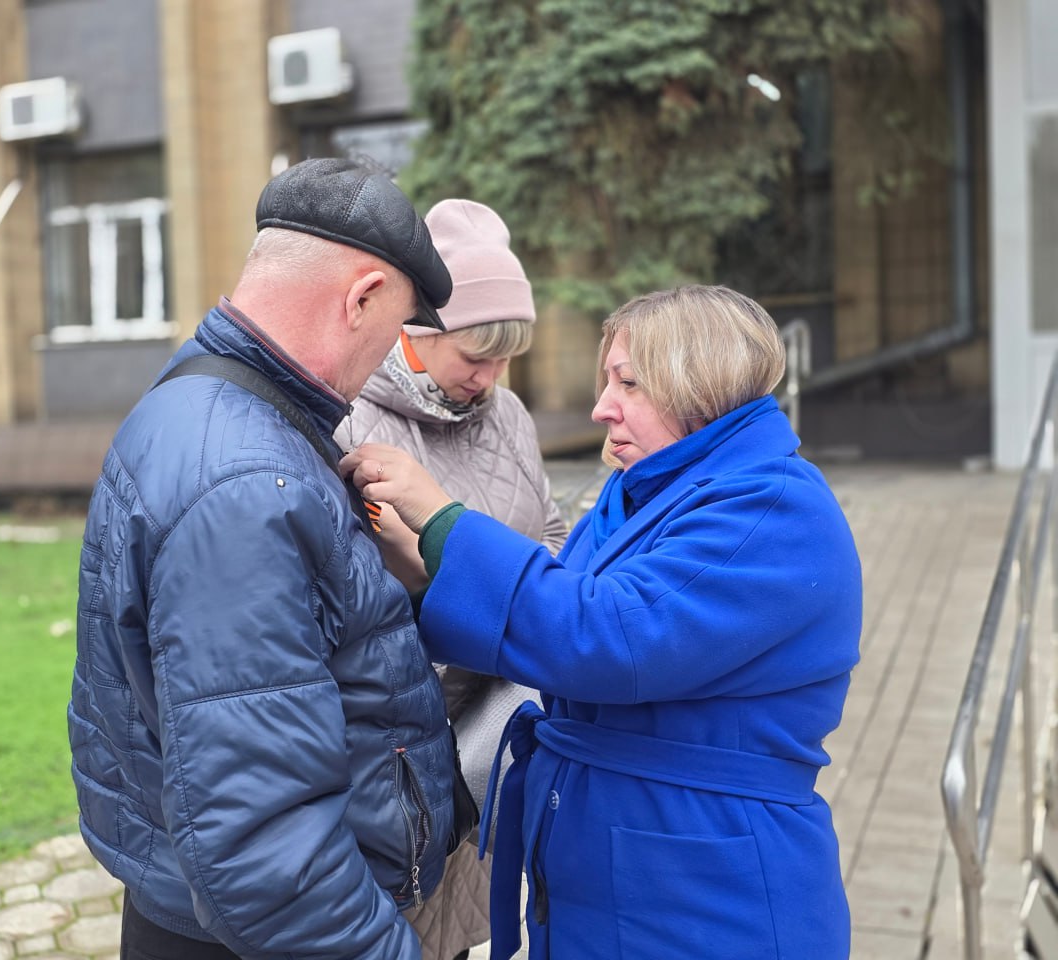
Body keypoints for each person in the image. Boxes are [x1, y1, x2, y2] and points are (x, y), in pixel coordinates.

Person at [342, 284, 863, 960]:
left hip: (704, 889)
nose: (601, 407)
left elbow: (605, 636)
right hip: (621, 870)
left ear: (697, 386)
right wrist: (422, 572)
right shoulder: (643, 488)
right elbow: (554, 605)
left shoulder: (772, 508)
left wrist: (443, 520)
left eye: (629, 383)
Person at [68, 158, 465, 960]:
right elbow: (264, 844)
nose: (383, 361)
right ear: (360, 298)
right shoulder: (245, 478)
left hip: (198, 909)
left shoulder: (201, 400)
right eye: (393, 331)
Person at [334, 198, 566, 960]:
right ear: (418, 328)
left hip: (489, 740)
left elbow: (550, 531)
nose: (491, 378)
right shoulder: (350, 418)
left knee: (453, 938)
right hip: (393, 760)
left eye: (506, 358)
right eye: (476, 354)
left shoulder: (510, 417)